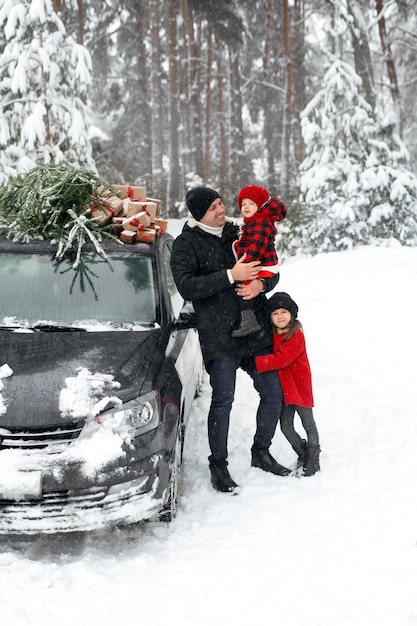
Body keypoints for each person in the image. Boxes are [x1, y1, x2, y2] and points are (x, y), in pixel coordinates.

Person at [170, 186, 290, 494]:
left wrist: (261, 285)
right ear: (199, 214)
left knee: (273, 393)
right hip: (220, 336)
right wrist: (230, 275)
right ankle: (218, 466)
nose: (221, 210)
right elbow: (186, 286)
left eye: (221, 203)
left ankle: (261, 452)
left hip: (255, 332)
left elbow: (270, 269)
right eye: (213, 208)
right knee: (223, 400)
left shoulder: (239, 233)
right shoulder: (186, 244)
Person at [255, 292, 321, 476]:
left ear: (292, 314)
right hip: (286, 389)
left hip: (299, 387)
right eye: (275, 313)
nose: (280, 316)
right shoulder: (273, 334)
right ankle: (303, 452)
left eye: (284, 312)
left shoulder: (296, 335)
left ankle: (314, 460)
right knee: (285, 426)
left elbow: (282, 359)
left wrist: (258, 362)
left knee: (308, 423)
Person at [231, 185, 286, 338]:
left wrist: (245, 264)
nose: (246, 207)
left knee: (245, 286)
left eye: (251, 203)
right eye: (243, 204)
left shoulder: (261, 222)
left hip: (262, 264)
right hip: (260, 263)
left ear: (260, 205)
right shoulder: (253, 221)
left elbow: (256, 246)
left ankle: (249, 320)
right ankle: (248, 318)